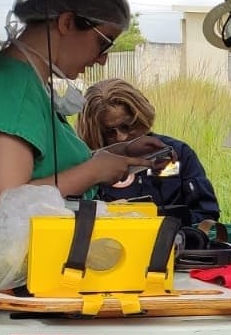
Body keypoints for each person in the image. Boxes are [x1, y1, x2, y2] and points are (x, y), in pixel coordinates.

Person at [0, 0, 164, 207]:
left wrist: (121, 152)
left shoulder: (27, 84)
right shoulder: (10, 90)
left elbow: (49, 170)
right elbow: (3, 203)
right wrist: (93, 172)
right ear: (67, 22)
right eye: (103, 43)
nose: (102, 58)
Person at [76, 78, 221, 226]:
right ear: (95, 132)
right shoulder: (85, 166)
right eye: (109, 132)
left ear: (142, 116)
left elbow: (206, 213)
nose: (122, 137)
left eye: (128, 126)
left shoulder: (178, 153)